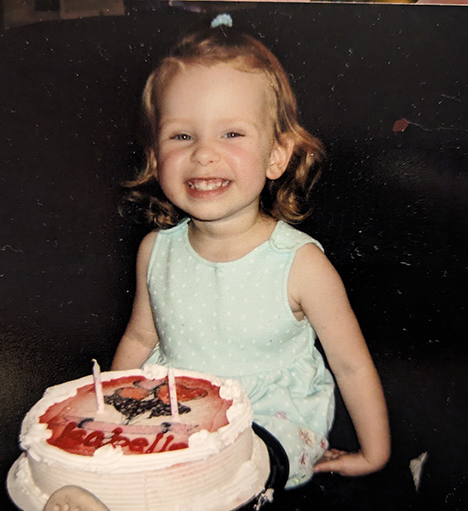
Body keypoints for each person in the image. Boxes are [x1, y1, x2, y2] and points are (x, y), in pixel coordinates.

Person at [111, 20, 390, 491]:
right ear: (155, 157)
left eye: (232, 134)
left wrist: (374, 453)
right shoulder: (156, 251)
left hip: (268, 417)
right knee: (132, 458)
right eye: (181, 136)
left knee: (243, 463)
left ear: (276, 155)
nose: (204, 154)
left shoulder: (300, 264)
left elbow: (351, 364)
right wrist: (111, 416)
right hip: (177, 407)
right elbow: (140, 338)